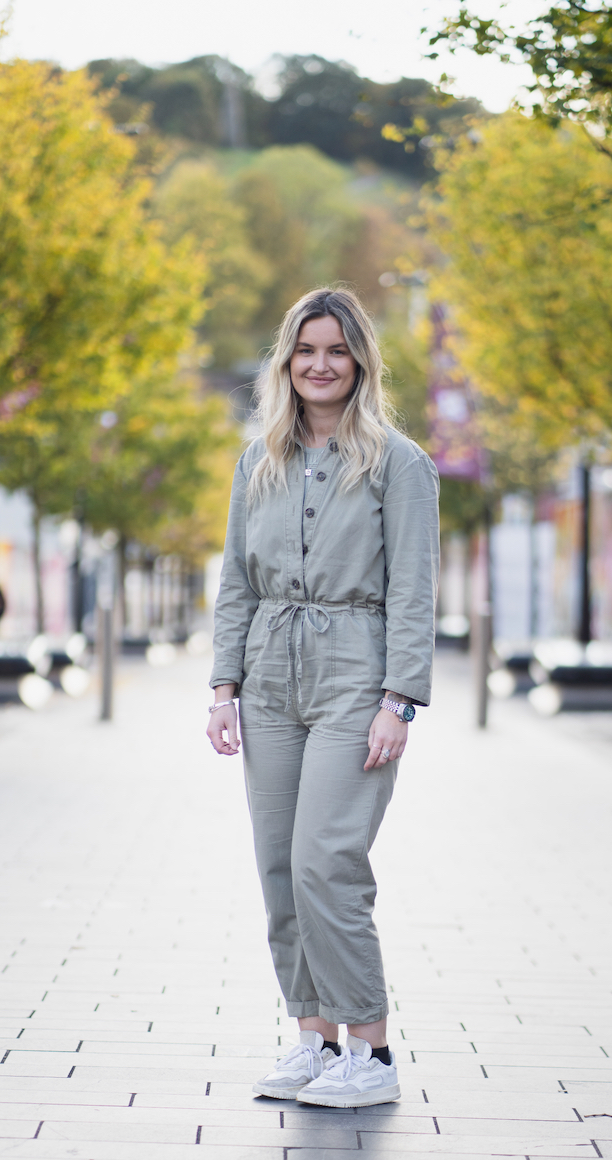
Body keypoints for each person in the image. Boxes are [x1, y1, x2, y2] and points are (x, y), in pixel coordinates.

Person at [207, 286, 439, 1108]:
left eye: (337, 350)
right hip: (269, 675)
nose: (320, 364)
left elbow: (413, 589)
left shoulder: (399, 464)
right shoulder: (258, 461)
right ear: (286, 362)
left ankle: (371, 1054)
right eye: (306, 350)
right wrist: (223, 686)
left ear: (360, 362)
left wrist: (399, 700)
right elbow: (236, 580)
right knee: (279, 867)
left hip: (354, 675)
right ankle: (315, 1040)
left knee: (326, 862)